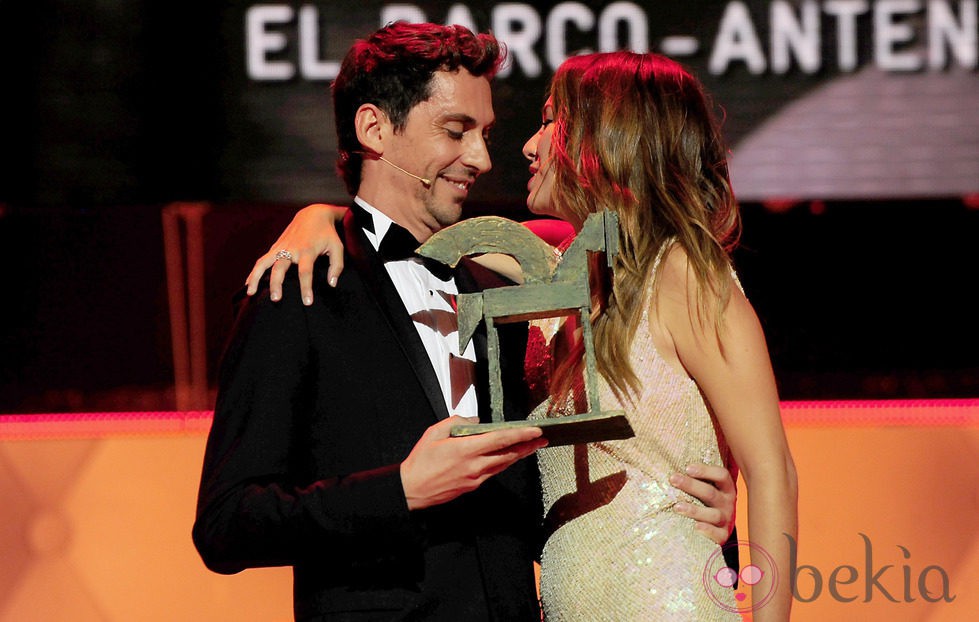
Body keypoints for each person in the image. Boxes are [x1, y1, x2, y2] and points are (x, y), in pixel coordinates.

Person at [246, 49, 797, 620]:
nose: (528, 146)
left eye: (552, 121)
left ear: (615, 135)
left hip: (666, 600)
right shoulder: (552, 268)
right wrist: (317, 216)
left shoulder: (684, 271)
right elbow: (408, 238)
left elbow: (773, 470)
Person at [193, 22, 550, 621]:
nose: (483, 159)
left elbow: (520, 498)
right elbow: (228, 523)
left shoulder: (496, 283)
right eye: (456, 131)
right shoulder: (299, 285)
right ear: (374, 129)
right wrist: (401, 491)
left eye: (485, 134)